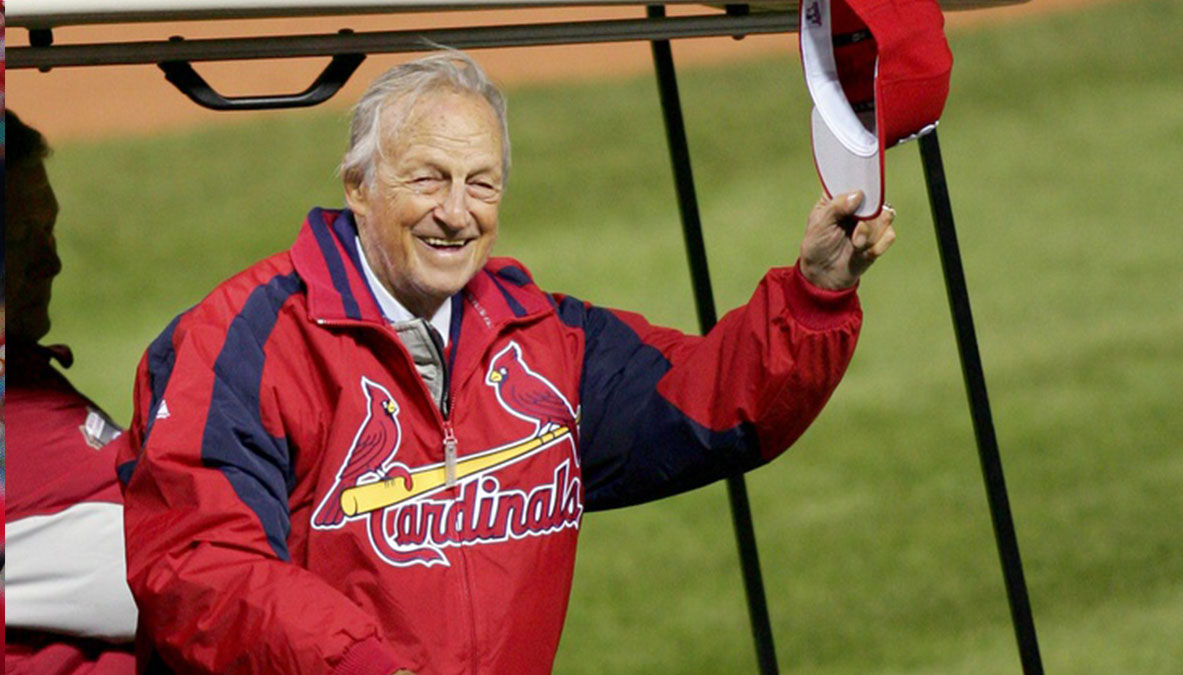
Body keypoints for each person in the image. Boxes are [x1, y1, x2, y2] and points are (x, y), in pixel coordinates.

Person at [117, 51, 896, 674]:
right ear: (359, 185)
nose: (457, 212)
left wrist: (817, 294)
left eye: (481, 184)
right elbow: (197, 564)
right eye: (428, 178)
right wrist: (356, 662)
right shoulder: (246, 339)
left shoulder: (544, 339)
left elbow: (716, 407)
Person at [3, 110, 138, 674]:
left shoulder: (22, 366)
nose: (52, 262)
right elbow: (180, 577)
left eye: (50, 232)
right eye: (22, 242)